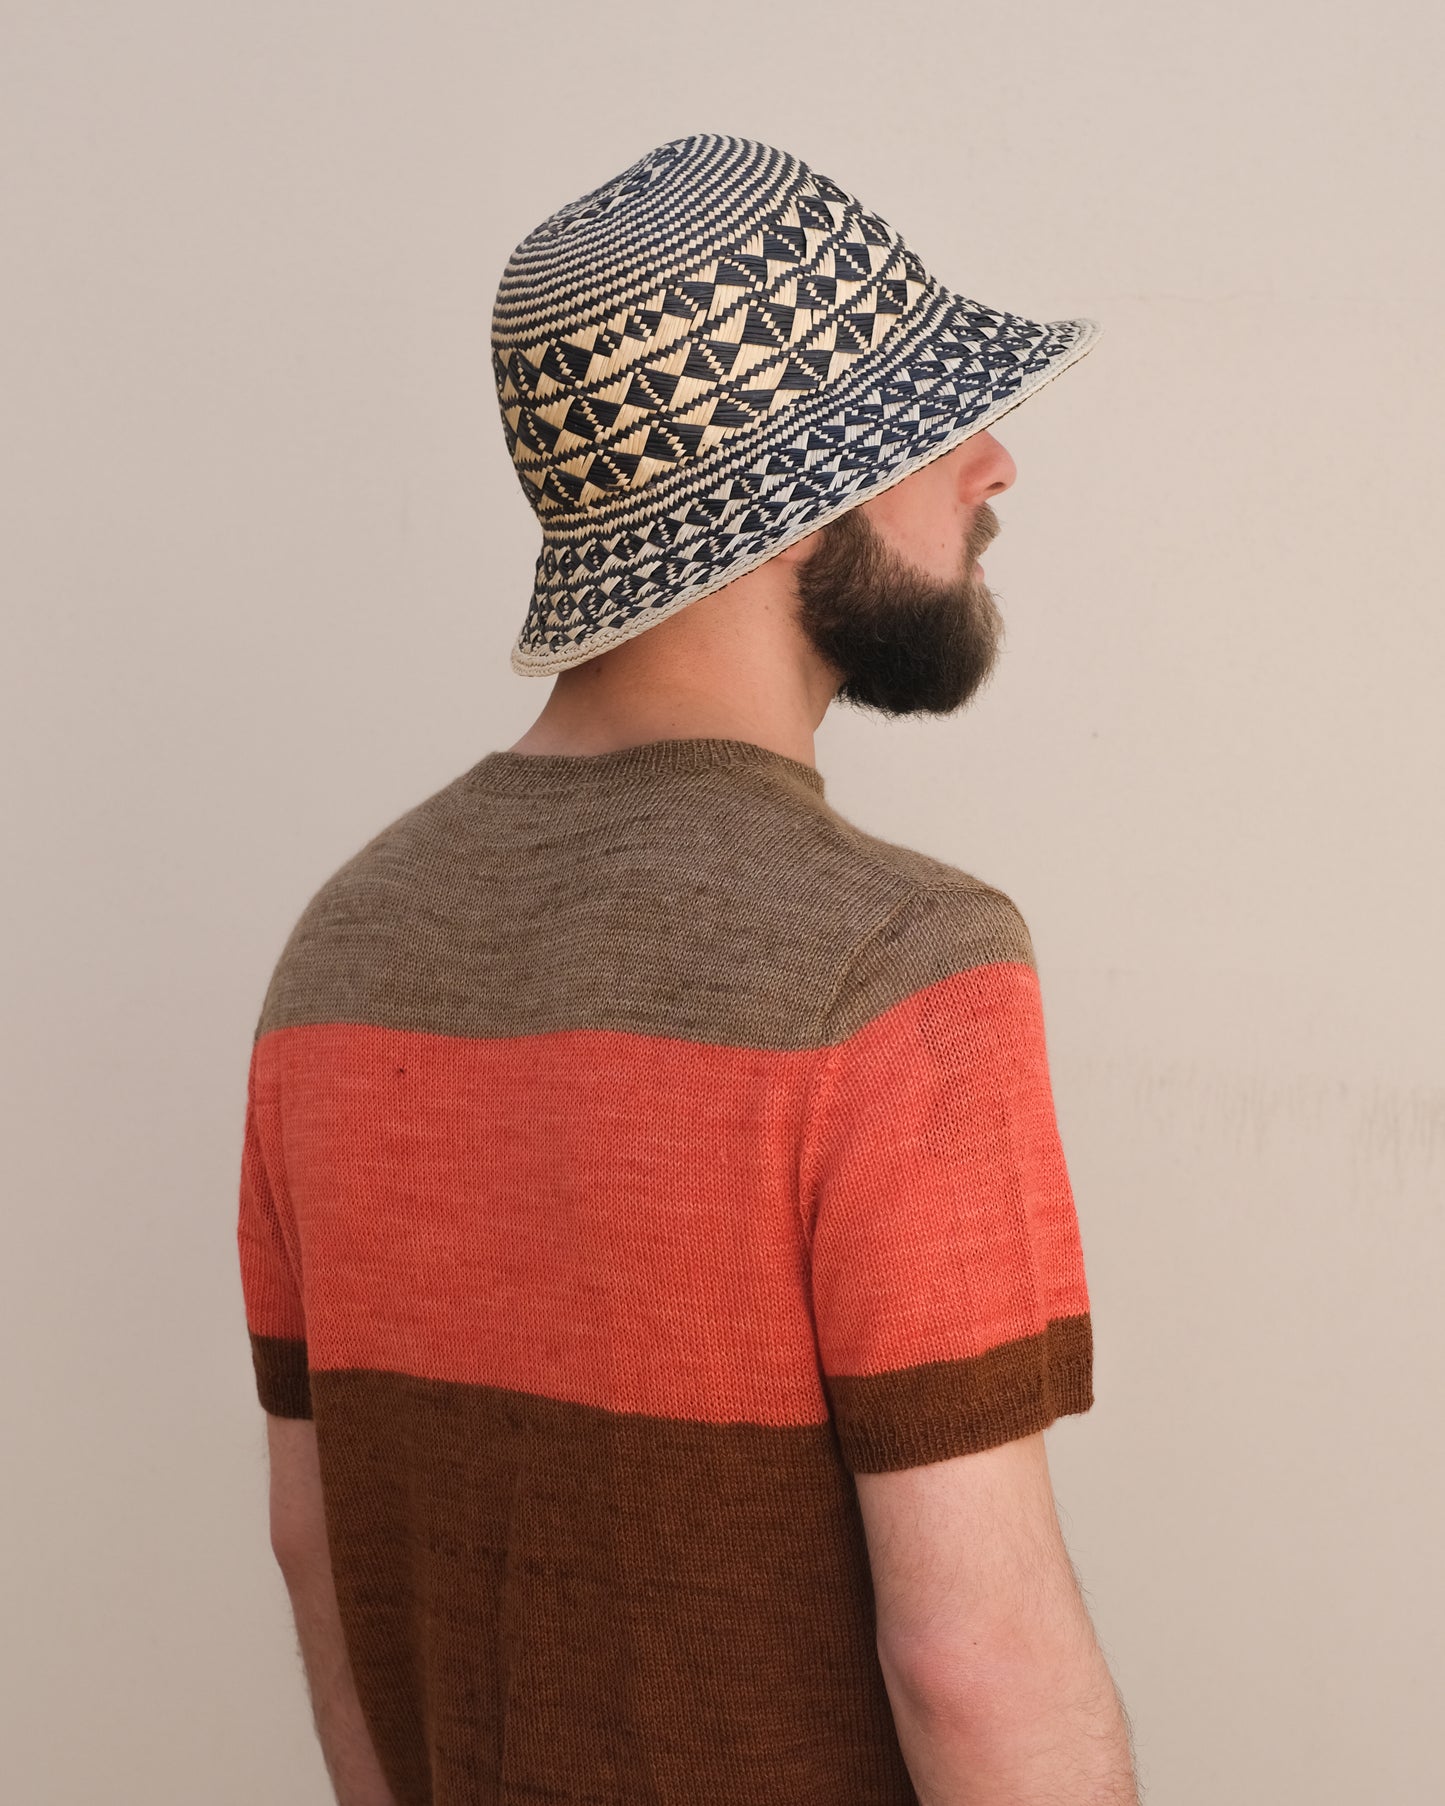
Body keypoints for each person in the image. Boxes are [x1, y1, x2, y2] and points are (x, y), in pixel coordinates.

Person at [238, 133, 1141, 1806]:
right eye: (930, 423)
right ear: (791, 500)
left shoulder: (337, 956)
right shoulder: (897, 968)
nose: (991, 462)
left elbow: (317, 1552)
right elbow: (975, 1662)